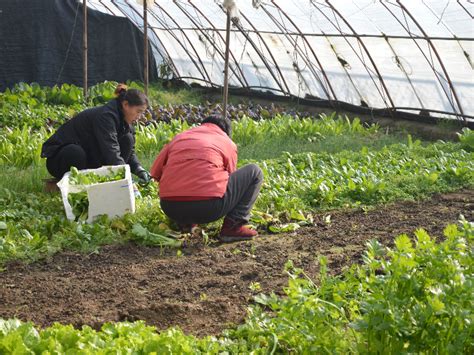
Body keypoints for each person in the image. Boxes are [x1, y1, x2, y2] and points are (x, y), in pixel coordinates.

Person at [150, 115, 263, 242]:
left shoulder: (179, 138)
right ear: (226, 132)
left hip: (170, 208)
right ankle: (233, 227)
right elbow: (230, 176)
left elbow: (155, 172)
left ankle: (185, 224)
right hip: (210, 208)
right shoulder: (226, 141)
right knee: (255, 171)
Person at [41, 84, 151, 185]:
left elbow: (130, 152)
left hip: (88, 156)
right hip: (59, 159)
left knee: (128, 139)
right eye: (138, 111)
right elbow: (111, 149)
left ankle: (106, 180)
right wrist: (126, 178)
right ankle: (75, 185)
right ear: (126, 105)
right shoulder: (106, 116)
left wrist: (138, 169)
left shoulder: (125, 121)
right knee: (75, 152)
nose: (140, 116)